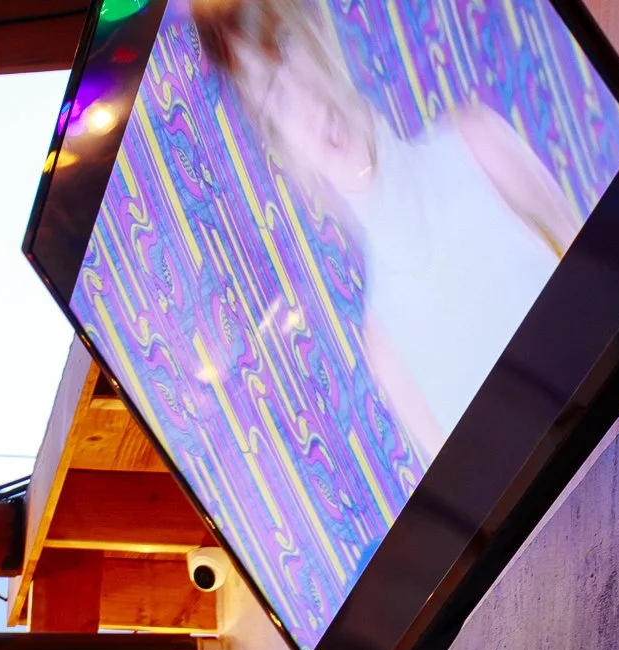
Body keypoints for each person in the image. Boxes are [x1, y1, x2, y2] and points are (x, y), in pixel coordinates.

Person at [191, 0, 582, 467]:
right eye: (274, 91)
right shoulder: (387, 348)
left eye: (289, 47)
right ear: (276, 140)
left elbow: (615, 280)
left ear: (321, 39)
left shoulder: (476, 144)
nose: (305, 98)